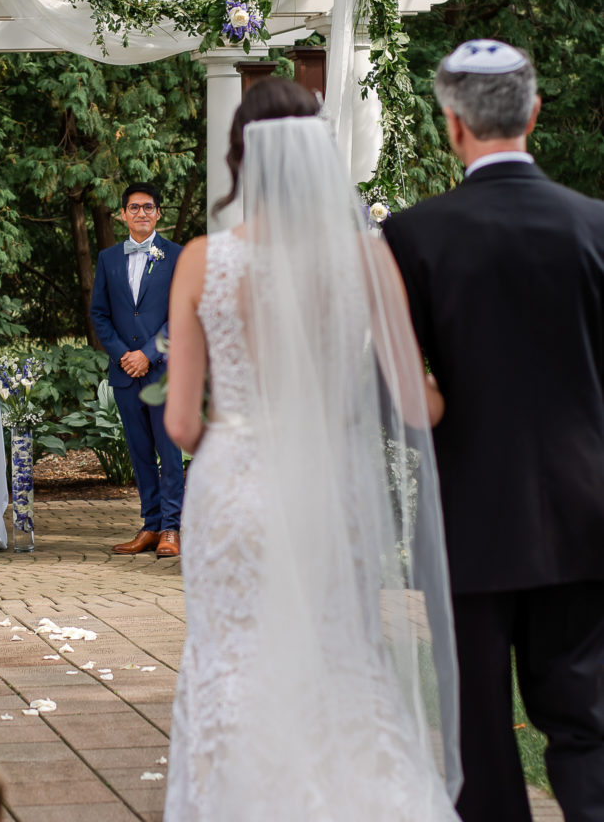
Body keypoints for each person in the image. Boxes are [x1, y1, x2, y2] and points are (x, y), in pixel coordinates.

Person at [162, 77, 461, 820]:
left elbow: (180, 426)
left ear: (241, 159)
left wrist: (229, 423)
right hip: (330, 490)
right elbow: (417, 405)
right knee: (339, 661)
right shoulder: (367, 258)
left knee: (231, 666)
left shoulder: (203, 259)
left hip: (234, 490)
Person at [382, 39, 604, 822]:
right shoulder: (595, 226)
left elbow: (402, 388)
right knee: (586, 723)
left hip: (470, 515)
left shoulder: (411, 237)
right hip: (586, 509)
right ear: (535, 113)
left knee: (479, 732)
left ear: (453, 124)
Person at [90, 182, 184, 557]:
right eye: (134, 207)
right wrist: (123, 355)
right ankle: (150, 525)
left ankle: (172, 529)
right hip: (125, 372)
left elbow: (181, 311)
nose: (141, 213)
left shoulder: (176, 255)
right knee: (140, 452)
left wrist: (148, 353)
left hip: (163, 369)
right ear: (123, 214)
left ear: (158, 213)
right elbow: (100, 313)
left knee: (168, 450)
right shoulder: (108, 259)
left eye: (148, 207)